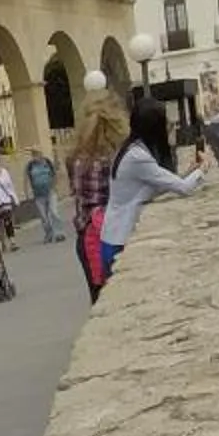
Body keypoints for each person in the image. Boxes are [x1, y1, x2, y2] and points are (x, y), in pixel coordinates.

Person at [96, 97, 205, 288]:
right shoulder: (138, 158)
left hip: (112, 236)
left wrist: (187, 172)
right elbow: (185, 189)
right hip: (120, 241)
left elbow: (155, 184)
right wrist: (203, 168)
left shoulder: (130, 149)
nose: (170, 126)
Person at [67, 99, 124, 302]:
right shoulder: (111, 160)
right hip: (108, 232)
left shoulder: (75, 160)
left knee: (98, 296)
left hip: (85, 232)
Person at [23, 146, 62, 243]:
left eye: (37, 153)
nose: (35, 155)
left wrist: (55, 186)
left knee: (54, 212)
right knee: (44, 216)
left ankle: (58, 233)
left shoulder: (47, 162)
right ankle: (48, 233)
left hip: (50, 191)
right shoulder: (30, 165)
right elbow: (26, 179)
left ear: (41, 154)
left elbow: (54, 174)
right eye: (33, 154)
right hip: (38, 194)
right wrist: (26, 192)